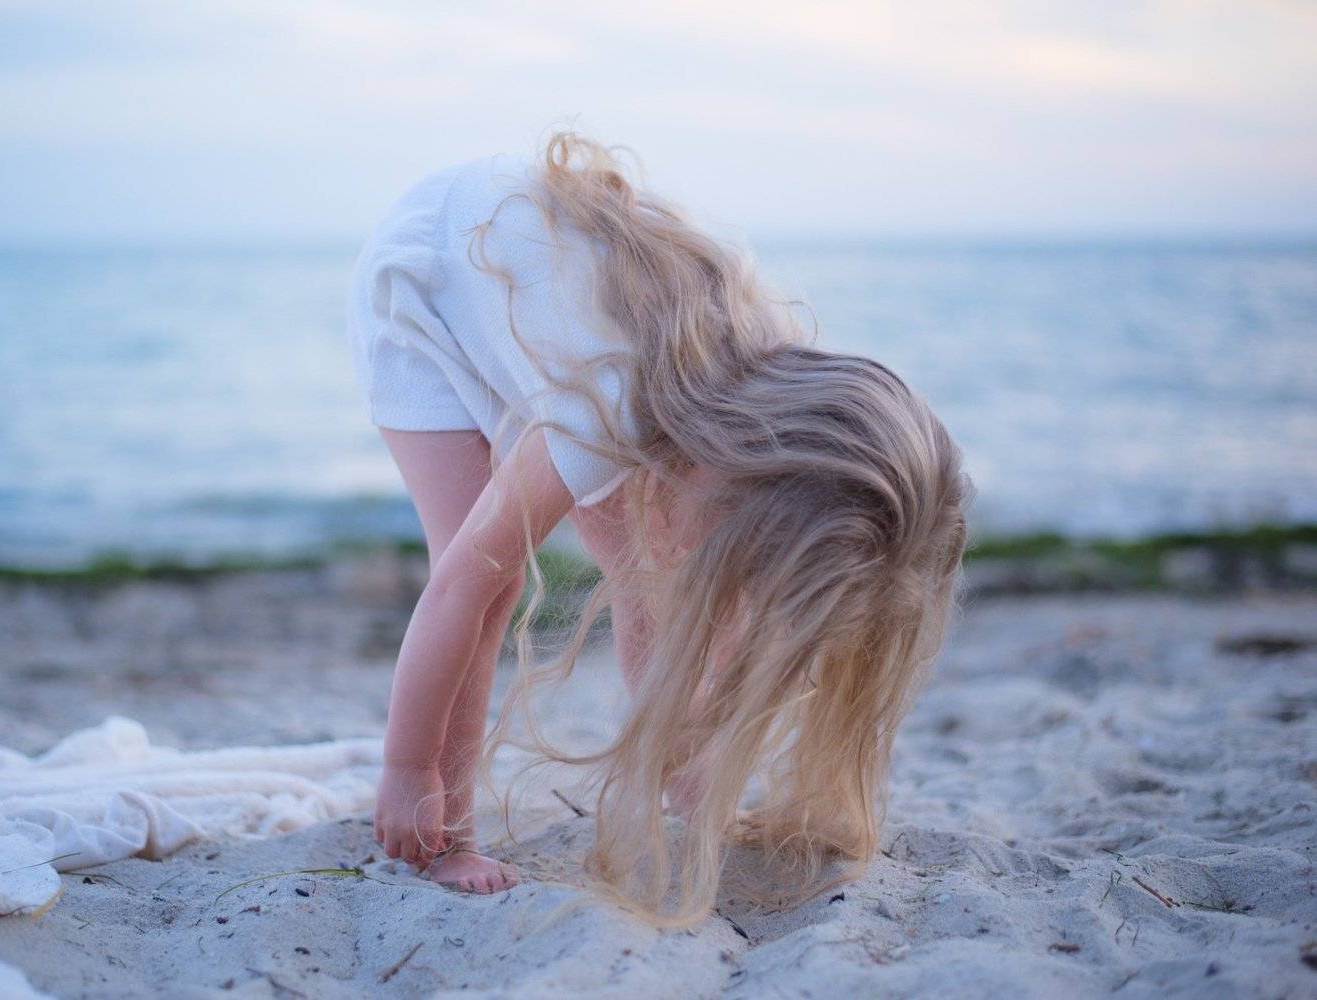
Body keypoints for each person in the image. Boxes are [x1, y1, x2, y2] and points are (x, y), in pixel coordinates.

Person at [345, 132, 970, 922]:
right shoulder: (605, 407)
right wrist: (408, 771)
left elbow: (685, 598)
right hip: (431, 276)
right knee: (485, 575)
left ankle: (686, 778)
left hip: (533, 281)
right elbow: (455, 592)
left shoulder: (757, 400)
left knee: (654, 573)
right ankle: (449, 830)